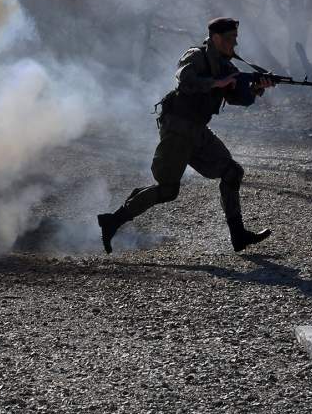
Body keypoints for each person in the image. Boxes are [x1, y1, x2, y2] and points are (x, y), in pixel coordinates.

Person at [97, 17, 274, 254]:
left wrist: (255, 90)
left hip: (198, 130)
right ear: (216, 38)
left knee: (232, 172)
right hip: (178, 129)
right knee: (168, 190)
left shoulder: (226, 65)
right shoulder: (196, 55)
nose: (235, 44)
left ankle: (238, 235)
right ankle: (112, 221)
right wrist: (217, 82)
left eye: (236, 38)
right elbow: (185, 79)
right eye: (230, 38)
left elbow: (236, 97)